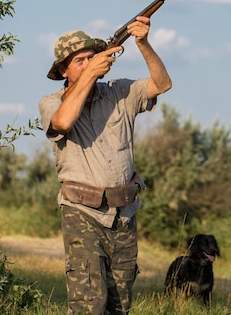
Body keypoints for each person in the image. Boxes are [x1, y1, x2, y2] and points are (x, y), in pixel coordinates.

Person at [38, 16, 172, 315]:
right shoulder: (52, 102)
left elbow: (162, 84)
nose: (87, 64)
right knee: (89, 305)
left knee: (119, 307)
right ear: (64, 70)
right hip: (82, 213)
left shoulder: (119, 92)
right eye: (80, 61)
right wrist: (90, 75)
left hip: (124, 215)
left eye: (91, 58)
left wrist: (143, 43)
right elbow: (63, 122)